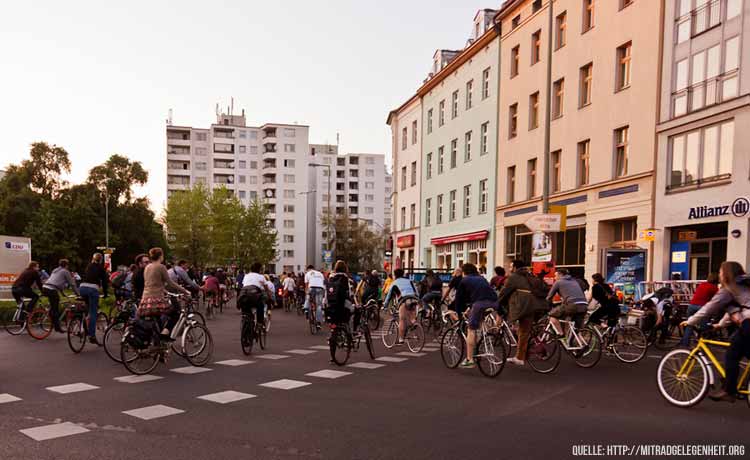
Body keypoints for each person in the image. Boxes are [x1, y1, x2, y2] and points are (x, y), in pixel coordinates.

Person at [682, 262, 750, 402]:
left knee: (732, 354)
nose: (719, 274)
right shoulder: (743, 285)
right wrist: (719, 325)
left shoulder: (728, 289)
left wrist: (690, 321)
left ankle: (729, 391)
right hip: (746, 323)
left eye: (720, 271)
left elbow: (710, 307)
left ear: (726, 273)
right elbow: (737, 309)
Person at [497, 260, 548, 366]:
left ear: (515, 267)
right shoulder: (530, 275)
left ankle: (520, 358)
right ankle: (525, 352)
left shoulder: (514, 277)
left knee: (523, 332)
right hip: (535, 306)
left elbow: (504, 292)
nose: (509, 269)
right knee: (524, 330)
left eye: (511, 267)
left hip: (523, 307)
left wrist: (496, 303)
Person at [452, 263, 499, 368]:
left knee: (471, 329)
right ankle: (479, 345)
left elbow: (459, 300)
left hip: (480, 303)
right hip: (494, 302)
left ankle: (469, 359)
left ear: (464, 272)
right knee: (479, 322)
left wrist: (459, 314)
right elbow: (479, 294)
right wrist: (470, 308)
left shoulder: (464, 280)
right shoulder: (481, 278)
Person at [138, 247, 190, 336]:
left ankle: (158, 340)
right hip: (156, 300)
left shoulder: (147, 267)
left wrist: (166, 292)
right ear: (161, 256)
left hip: (145, 300)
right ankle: (164, 335)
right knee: (175, 313)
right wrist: (185, 291)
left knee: (159, 319)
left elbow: (153, 284)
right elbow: (170, 282)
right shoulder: (161, 267)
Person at [679, 272, 720, 347]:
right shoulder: (714, 288)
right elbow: (718, 298)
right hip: (702, 307)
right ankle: (702, 343)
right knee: (704, 326)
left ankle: (685, 343)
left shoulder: (702, 284)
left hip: (691, 306)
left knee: (689, 324)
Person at [546, 268, 589, 336]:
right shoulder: (574, 281)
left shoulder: (558, 282)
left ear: (560, 275)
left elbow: (549, 297)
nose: (555, 277)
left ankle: (560, 334)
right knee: (571, 324)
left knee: (552, 316)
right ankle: (574, 342)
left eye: (556, 275)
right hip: (584, 305)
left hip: (573, 305)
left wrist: (546, 306)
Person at [79, 253, 109, 345]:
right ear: (101, 260)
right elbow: (104, 282)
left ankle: (80, 326)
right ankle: (91, 335)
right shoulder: (101, 268)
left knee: (87, 308)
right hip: (92, 289)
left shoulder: (89, 266)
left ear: (93, 259)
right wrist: (105, 293)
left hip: (82, 288)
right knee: (93, 313)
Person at [383, 268, 419, 345]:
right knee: (412, 318)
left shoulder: (394, 283)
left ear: (395, 275)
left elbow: (389, 296)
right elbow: (416, 291)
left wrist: (385, 306)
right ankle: (414, 324)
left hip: (404, 300)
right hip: (413, 299)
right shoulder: (410, 281)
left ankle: (401, 339)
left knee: (402, 319)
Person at [41, 259, 79, 332]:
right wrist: (78, 294)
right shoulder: (65, 272)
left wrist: (62, 293)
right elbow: (72, 284)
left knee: (53, 305)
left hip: (45, 287)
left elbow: (57, 283)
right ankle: (57, 327)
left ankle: (50, 317)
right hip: (52, 290)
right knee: (55, 309)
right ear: (67, 265)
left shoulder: (55, 270)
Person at [239, 262, 274, 328]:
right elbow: (267, 289)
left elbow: (244, 285)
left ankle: (246, 324)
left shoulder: (246, 275)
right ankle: (259, 323)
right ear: (259, 269)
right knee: (260, 305)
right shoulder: (261, 277)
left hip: (243, 296)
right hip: (254, 296)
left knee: (246, 312)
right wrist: (271, 298)